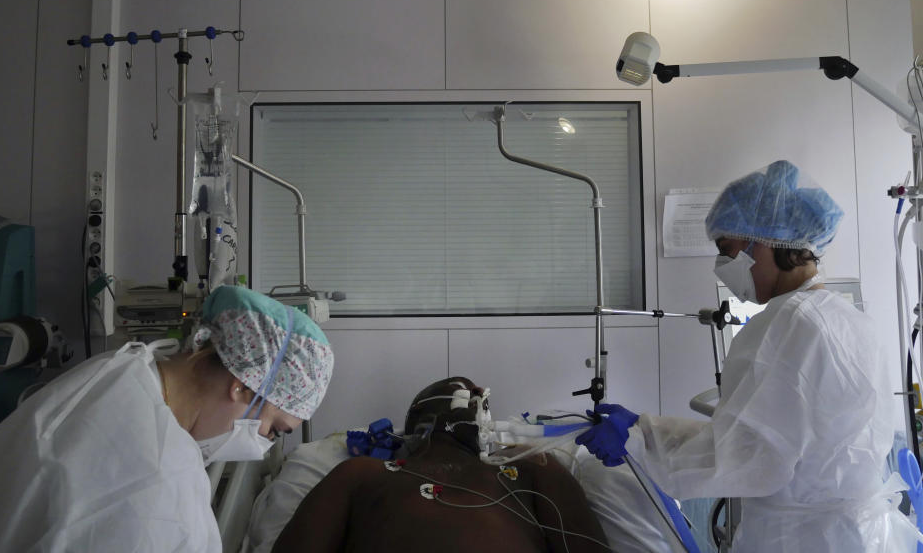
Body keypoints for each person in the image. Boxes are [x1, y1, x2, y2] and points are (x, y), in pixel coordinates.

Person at [577, 160, 919, 551]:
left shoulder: (789, 324)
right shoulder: (845, 317)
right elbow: (767, 438)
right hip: (859, 534)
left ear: (766, 241)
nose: (722, 266)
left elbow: (748, 457)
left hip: (805, 539)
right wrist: (646, 428)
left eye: (727, 249)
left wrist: (639, 444)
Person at [0, 285, 334, 553]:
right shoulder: (160, 485)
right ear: (242, 386)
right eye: (272, 429)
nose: (262, 444)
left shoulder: (123, 365)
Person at [274, 377, 610, 552]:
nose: (475, 397)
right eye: (463, 393)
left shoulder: (530, 465)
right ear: (421, 419)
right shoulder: (361, 473)